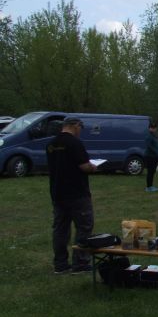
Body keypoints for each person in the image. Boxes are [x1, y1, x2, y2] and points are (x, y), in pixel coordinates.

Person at [47, 117, 97, 274]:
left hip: (58, 192)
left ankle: (60, 264)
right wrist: (93, 167)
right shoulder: (75, 143)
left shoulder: (51, 144)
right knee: (84, 226)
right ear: (75, 125)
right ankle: (80, 263)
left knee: (60, 229)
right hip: (77, 192)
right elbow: (84, 166)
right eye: (80, 127)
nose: (80, 130)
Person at [144, 121, 158, 192]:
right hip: (150, 156)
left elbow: (157, 145)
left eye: (154, 128)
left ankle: (151, 185)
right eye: (151, 127)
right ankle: (149, 187)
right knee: (150, 171)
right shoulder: (149, 135)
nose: (153, 129)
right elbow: (149, 146)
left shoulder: (154, 135)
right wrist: (157, 152)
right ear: (149, 128)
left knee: (153, 171)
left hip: (155, 156)